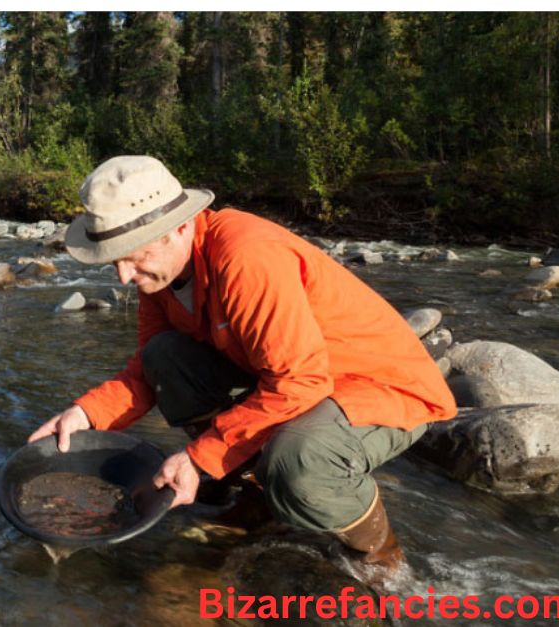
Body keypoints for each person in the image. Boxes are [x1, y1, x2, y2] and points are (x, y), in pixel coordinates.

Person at [28, 155, 456, 571]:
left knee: (298, 461)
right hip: (292, 376)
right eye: (114, 260)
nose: (123, 276)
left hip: (380, 385)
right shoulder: (159, 275)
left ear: (178, 228)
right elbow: (147, 367)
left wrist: (199, 459)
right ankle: (254, 499)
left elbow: (301, 382)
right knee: (166, 357)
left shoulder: (245, 258)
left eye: (132, 255)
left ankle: (382, 556)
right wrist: (87, 413)